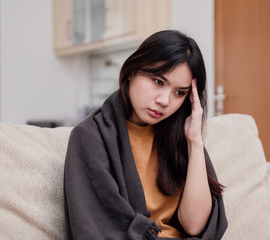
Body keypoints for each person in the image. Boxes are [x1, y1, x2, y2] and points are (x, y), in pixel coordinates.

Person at [64, 30, 227, 240]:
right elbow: (96, 228)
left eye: (179, 92)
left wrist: (195, 141)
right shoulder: (90, 137)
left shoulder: (180, 136)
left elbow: (195, 226)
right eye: (158, 81)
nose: (165, 101)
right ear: (132, 71)